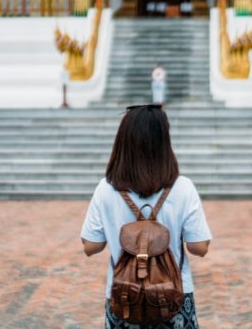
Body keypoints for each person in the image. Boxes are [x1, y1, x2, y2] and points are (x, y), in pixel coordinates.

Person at [81, 104, 212, 328]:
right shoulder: (182, 187)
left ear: (123, 142)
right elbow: (199, 247)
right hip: (173, 296)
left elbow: (91, 246)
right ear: (164, 142)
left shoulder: (106, 188)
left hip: (124, 297)